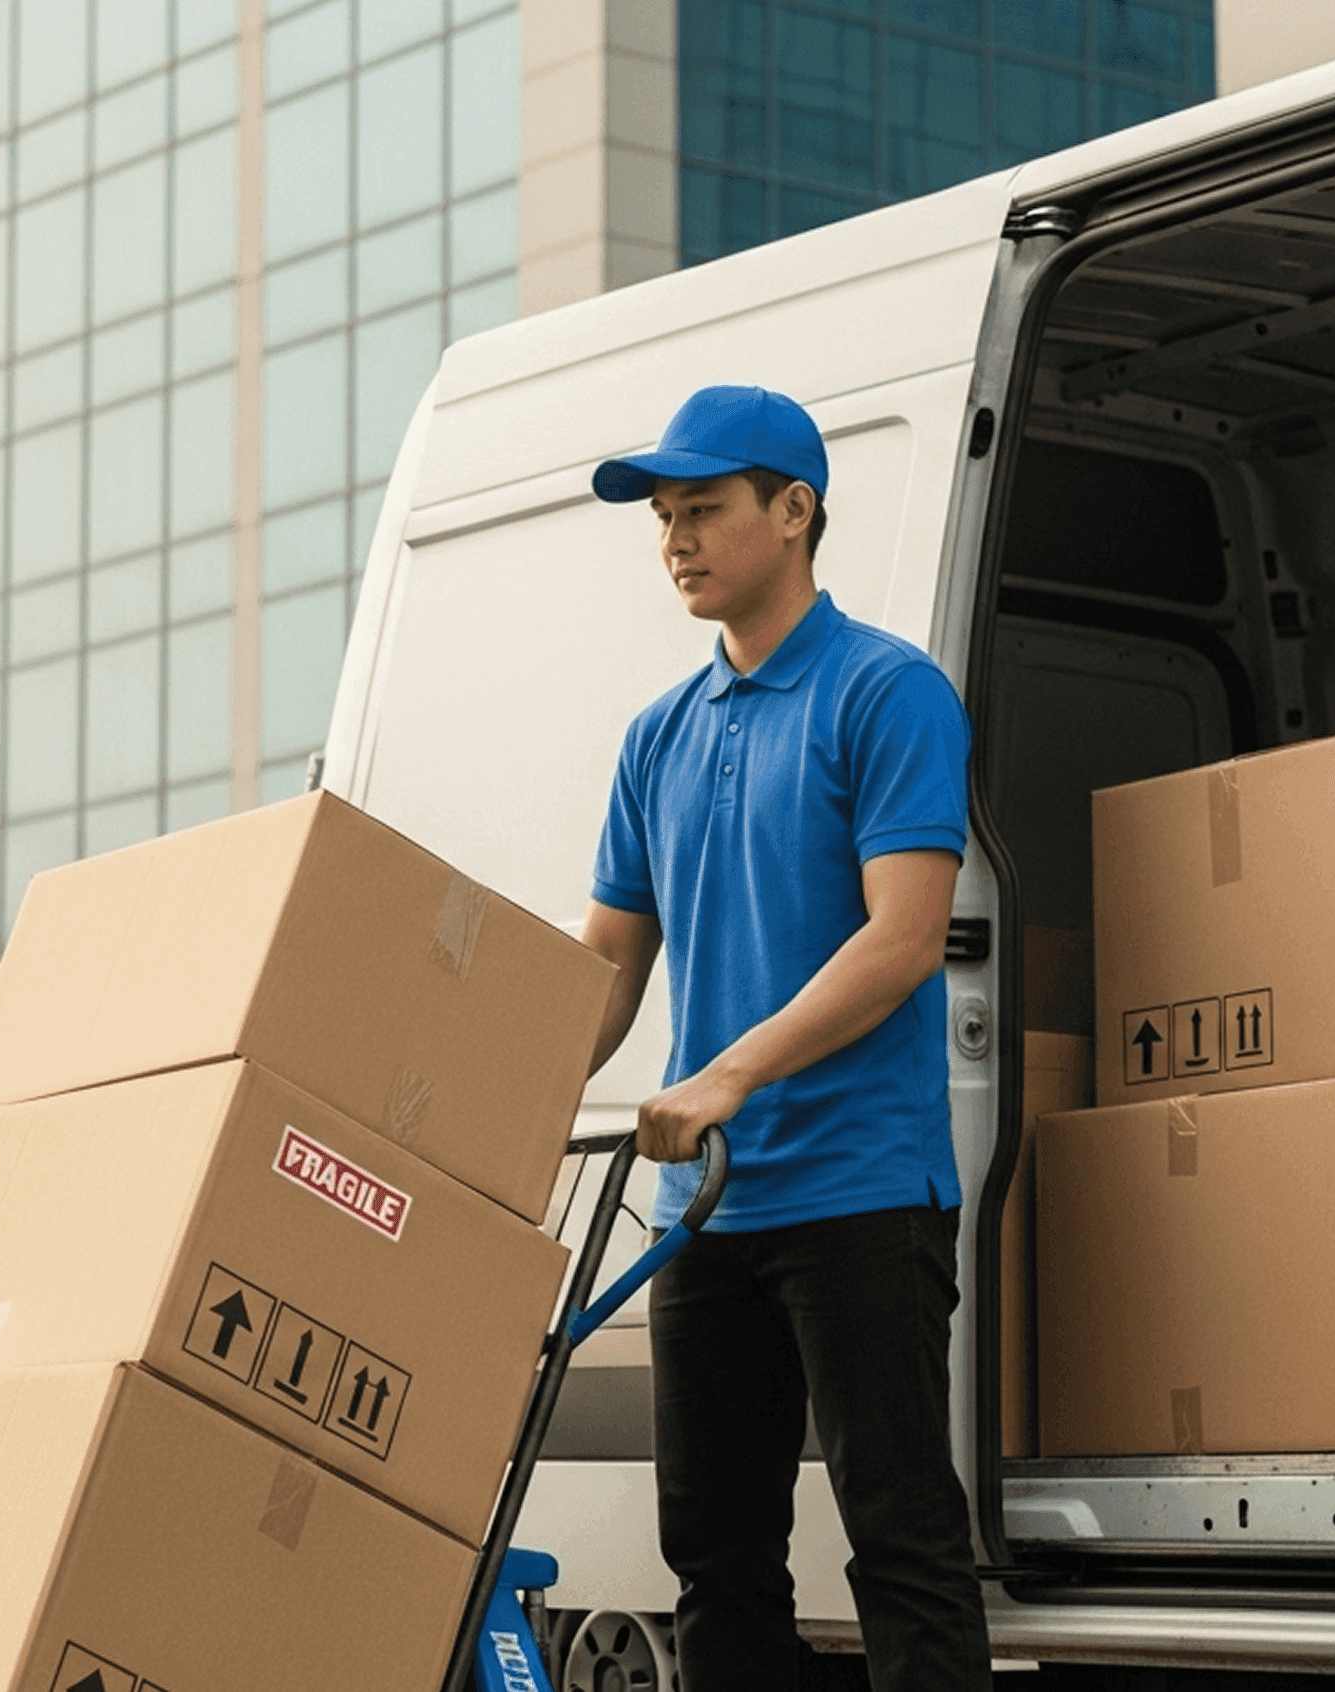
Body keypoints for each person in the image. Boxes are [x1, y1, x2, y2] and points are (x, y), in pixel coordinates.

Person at [580, 384, 991, 1691]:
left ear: (795, 510)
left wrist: (726, 1075)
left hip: (862, 1193)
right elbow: (602, 969)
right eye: (663, 517)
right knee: (716, 1560)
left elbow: (903, 938)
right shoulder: (656, 736)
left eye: (702, 508)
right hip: (707, 1213)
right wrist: (486, 1102)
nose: (675, 540)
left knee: (904, 1546)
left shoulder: (887, 693)